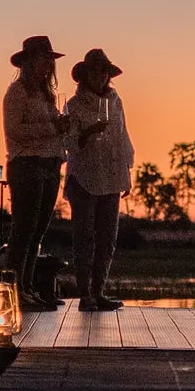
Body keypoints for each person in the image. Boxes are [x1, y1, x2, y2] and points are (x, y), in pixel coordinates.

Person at [2, 36, 70, 311]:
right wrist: (53, 128)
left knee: (37, 232)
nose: (48, 64)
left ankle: (27, 287)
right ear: (30, 62)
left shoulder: (45, 94)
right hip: (27, 165)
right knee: (24, 230)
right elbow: (14, 131)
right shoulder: (17, 93)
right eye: (44, 58)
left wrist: (62, 128)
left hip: (50, 165)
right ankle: (15, 290)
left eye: (50, 59)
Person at [63, 49, 133, 312]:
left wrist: (126, 171)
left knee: (108, 237)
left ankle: (99, 290)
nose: (100, 76)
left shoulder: (115, 101)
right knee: (84, 237)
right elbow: (70, 143)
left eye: (104, 71)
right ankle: (85, 295)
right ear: (85, 75)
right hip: (84, 176)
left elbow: (123, 136)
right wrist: (88, 133)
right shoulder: (74, 104)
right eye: (95, 71)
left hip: (111, 175)